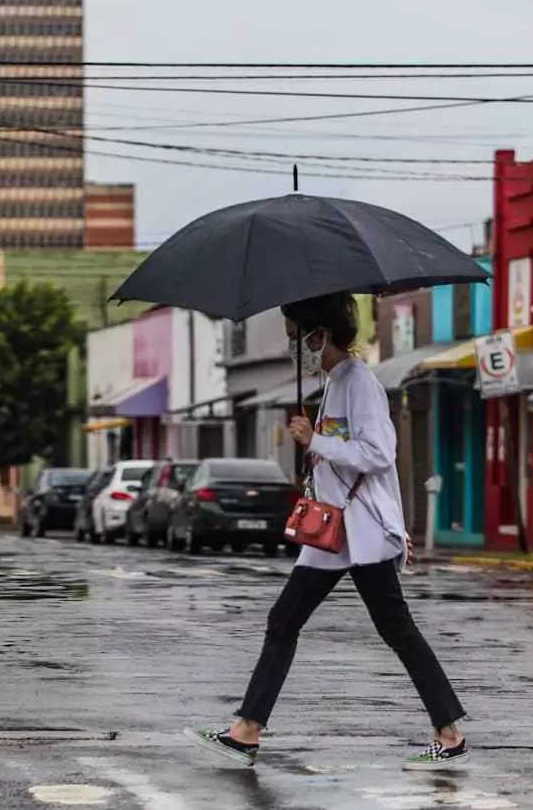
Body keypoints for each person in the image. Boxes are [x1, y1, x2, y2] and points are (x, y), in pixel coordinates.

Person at [185, 291, 468, 769]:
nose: (294, 346)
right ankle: (246, 731)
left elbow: (379, 453)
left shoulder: (360, 382)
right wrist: (314, 451)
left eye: (297, 336)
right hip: (333, 533)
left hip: (361, 532)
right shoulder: (335, 383)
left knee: (395, 629)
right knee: (284, 620)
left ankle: (450, 733)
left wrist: (316, 441)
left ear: (322, 334)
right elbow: (341, 451)